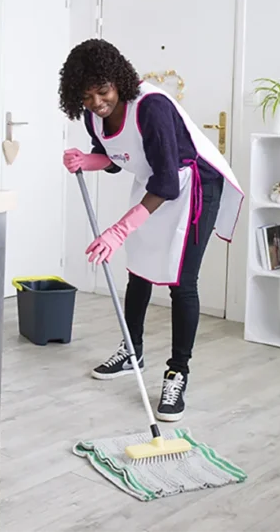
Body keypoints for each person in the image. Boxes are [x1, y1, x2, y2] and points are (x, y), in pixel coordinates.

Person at [59, 38, 244, 421]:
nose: (97, 102)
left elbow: (168, 183)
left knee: (182, 283)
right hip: (154, 184)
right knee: (139, 270)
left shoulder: (151, 107)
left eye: (103, 91)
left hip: (193, 185)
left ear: (118, 81)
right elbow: (114, 157)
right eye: (86, 96)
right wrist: (87, 160)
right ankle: (133, 351)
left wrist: (119, 230)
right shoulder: (93, 114)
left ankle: (178, 372)